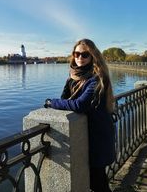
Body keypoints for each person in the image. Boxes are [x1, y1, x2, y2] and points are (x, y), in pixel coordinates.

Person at [44, 38, 115, 192]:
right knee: (94, 180)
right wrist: (70, 80)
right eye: (77, 54)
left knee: (98, 182)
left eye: (84, 55)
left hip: (97, 135)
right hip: (86, 134)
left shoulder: (97, 78)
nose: (79, 58)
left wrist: (51, 102)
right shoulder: (75, 77)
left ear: (93, 57)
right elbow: (66, 100)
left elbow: (80, 105)